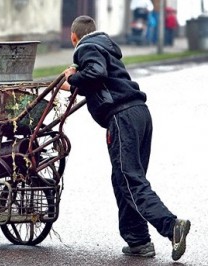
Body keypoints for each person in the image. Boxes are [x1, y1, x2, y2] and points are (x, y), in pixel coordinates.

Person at [61, 15, 191, 261]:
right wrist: (73, 86)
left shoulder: (86, 47)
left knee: (129, 180)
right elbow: (102, 81)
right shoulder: (104, 47)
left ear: (73, 37)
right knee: (125, 178)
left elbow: (95, 73)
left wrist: (72, 77)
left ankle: (171, 226)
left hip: (122, 119)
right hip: (139, 114)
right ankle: (138, 241)